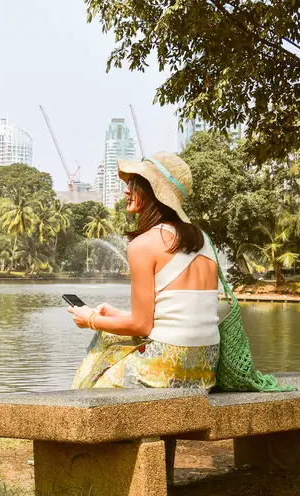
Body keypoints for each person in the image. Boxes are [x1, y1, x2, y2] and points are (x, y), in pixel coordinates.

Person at [67, 152, 220, 390]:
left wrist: (92, 319)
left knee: (101, 351)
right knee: (111, 336)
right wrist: (116, 314)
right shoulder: (205, 241)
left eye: (133, 184)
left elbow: (142, 327)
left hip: (168, 366)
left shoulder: (143, 244)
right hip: (207, 364)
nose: (126, 190)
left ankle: (79, 403)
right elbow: (177, 313)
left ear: (152, 191)